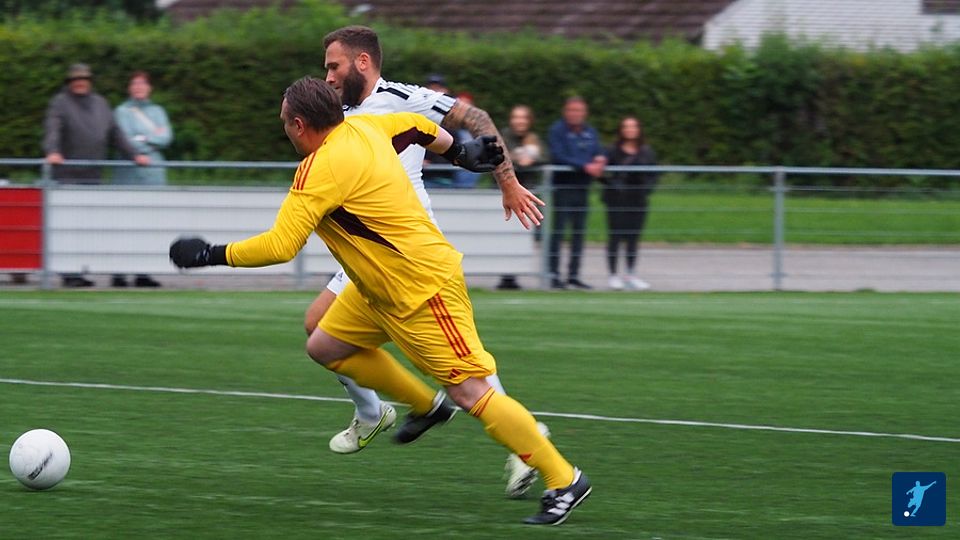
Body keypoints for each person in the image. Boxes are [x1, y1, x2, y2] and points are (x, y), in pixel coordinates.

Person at [169, 76, 591, 526]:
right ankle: (427, 406)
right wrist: (459, 152)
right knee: (325, 345)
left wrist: (210, 254)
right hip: (378, 289)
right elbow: (417, 127)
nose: (283, 128)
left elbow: (280, 246)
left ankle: (564, 478)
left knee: (472, 390)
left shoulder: (317, 171)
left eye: (284, 122)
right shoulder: (367, 127)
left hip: (421, 288)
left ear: (299, 125)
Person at [317, 25, 548, 500]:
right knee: (320, 332)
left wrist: (507, 182)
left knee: (463, 369)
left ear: (363, 62)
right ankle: (376, 412)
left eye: (334, 66)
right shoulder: (337, 110)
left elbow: (477, 118)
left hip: (409, 250)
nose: (329, 76)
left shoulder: (401, 98)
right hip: (370, 250)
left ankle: (525, 441)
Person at [42, 63, 150, 288]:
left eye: (83, 79)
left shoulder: (101, 103)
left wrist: (135, 155)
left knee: (86, 225)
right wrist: (52, 151)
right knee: (68, 226)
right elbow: (53, 129)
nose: (80, 82)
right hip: (67, 175)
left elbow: (116, 134)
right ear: (70, 82)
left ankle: (81, 270)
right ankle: (69, 273)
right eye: (76, 79)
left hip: (93, 175)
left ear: (89, 81)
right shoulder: (60, 103)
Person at [112, 70, 174, 288]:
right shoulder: (122, 111)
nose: (138, 87)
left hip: (153, 175)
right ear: (129, 88)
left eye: (142, 83)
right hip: (127, 174)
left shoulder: (157, 111)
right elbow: (124, 139)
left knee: (149, 222)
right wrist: (149, 141)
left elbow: (166, 137)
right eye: (135, 83)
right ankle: (118, 273)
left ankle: (143, 272)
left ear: (149, 88)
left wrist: (141, 140)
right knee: (123, 223)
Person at [546, 97, 605, 290]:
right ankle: (553, 274)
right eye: (572, 110)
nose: (575, 114)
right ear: (565, 112)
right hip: (563, 187)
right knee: (559, 231)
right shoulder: (557, 130)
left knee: (579, 232)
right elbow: (559, 155)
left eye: (579, 111)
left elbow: (598, 150)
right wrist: (584, 165)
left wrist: (600, 159)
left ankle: (574, 275)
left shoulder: (590, 132)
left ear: (584, 113)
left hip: (582, 187)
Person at [602, 116, 658, 291]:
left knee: (633, 237)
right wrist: (613, 185)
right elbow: (602, 173)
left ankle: (630, 274)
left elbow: (654, 174)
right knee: (615, 236)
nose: (630, 130)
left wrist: (646, 189)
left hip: (638, 199)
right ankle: (613, 275)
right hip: (617, 199)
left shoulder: (646, 152)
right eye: (626, 126)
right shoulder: (612, 151)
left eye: (633, 126)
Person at [496, 104, 547, 290]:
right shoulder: (503, 137)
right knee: (505, 234)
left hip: (528, 194)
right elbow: (498, 157)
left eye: (523, 117)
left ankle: (514, 273)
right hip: (506, 194)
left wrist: (533, 160)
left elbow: (545, 157)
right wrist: (518, 160)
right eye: (516, 117)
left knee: (525, 233)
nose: (520, 121)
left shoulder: (534, 138)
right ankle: (506, 275)